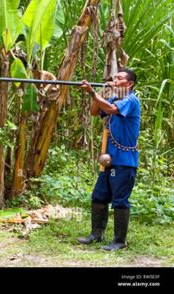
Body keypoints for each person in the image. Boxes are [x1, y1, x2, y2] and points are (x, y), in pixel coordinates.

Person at [78, 69, 140, 251]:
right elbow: (94, 111)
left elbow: (112, 110)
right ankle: (96, 234)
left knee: (120, 200)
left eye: (120, 78)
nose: (115, 80)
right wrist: (101, 93)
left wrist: (92, 92)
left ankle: (120, 241)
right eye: (115, 77)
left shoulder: (131, 100)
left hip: (125, 161)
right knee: (99, 196)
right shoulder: (113, 99)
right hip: (109, 159)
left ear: (129, 84)